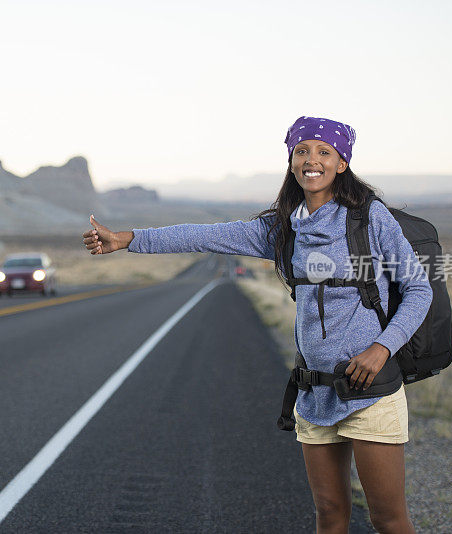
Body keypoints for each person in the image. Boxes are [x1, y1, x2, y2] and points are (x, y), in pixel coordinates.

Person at [81, 116, 431, 533]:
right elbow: (203, 236)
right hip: (315, 392)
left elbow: (418, 289)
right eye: (302, 151)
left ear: (342, 163)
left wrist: (381, 348)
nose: (311, 160)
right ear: (290, 161)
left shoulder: (369, 219)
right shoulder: (283, 228)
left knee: (387, 519)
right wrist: (127, 239)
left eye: (324, 152)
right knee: (330, 516)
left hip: (371, 391)